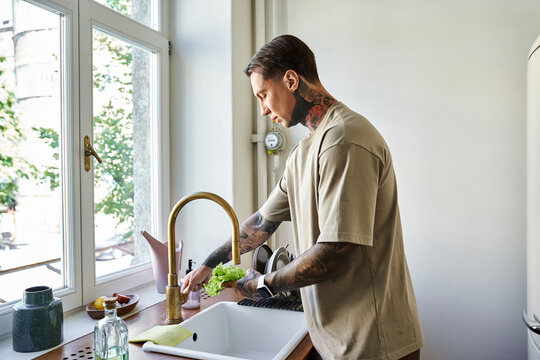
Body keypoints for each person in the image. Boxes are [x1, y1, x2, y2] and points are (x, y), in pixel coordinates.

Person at [181, 34, 424, 360]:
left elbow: (335, 253)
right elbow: (262, 223)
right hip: (337, 338)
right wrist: (210, 264)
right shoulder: (305, 152)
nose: (263, 109)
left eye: (264, 94)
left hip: (374, 342)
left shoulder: (345, 139)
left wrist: (262, 284)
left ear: (292, 80)